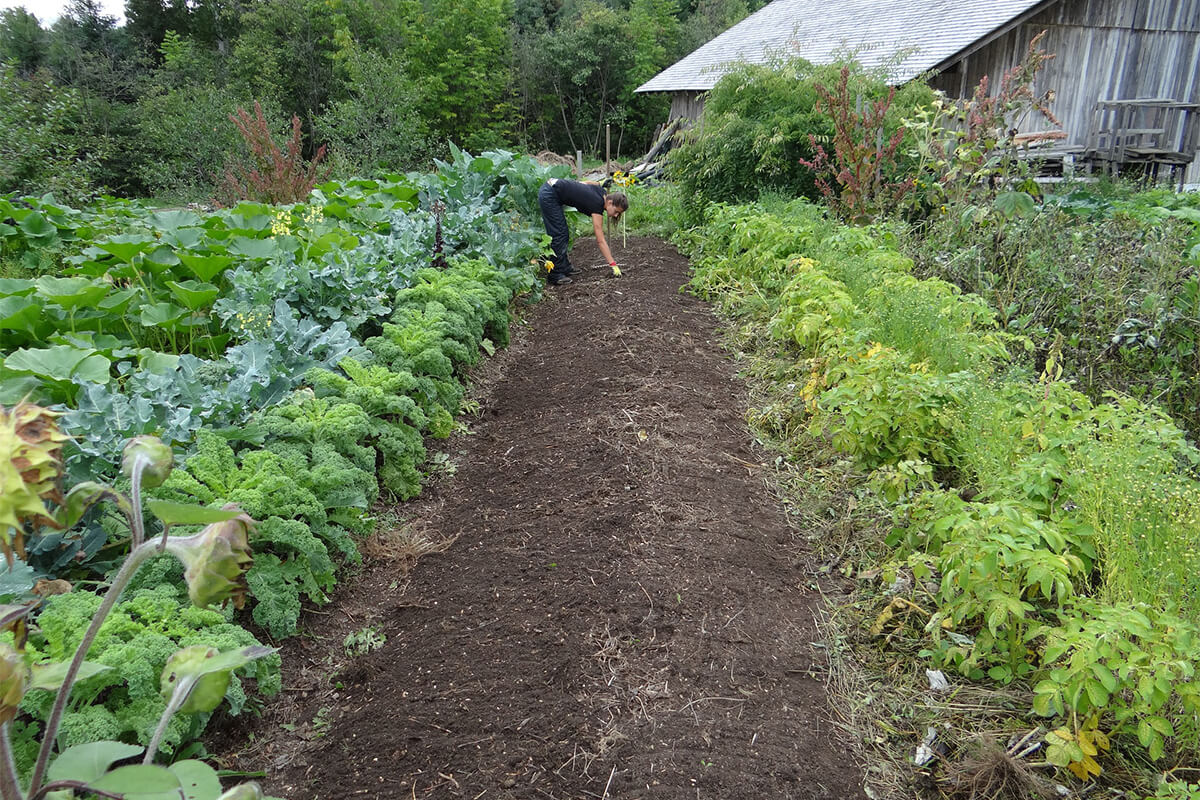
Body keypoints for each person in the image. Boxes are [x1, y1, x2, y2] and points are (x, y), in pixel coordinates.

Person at [537, 177, 628, 286]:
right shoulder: (597, 204)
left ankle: (564, 267)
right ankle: (555, 275)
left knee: (563, 233)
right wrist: (613, 264)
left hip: (552, 186)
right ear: (610, 202)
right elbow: (600, 240)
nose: (616, 215)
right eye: (616, 211)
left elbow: (585, 183)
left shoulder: (602, 192)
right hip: (549, 194)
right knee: (559, 234)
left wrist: (599, 182)